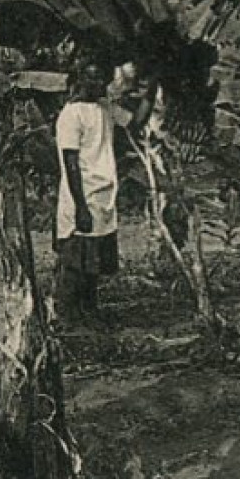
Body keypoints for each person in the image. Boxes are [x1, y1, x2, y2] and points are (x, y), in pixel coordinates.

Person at [54, 59, 143, 326]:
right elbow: (70, 162)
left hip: (104, 194)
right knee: (75, 260)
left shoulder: (105, 108)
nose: (95, 84)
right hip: (82, 193)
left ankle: (90, 312)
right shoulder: (72, 114)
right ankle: (67, 316)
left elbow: (135, 122)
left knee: (93, 262)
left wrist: (150, 91)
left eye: (99, 79)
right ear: (80, 78)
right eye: (89, 78)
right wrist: (80, 205)